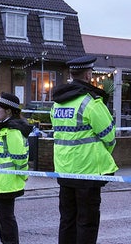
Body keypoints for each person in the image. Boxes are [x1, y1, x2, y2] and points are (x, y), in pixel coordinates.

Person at [49, 55, 118, 244]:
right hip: (88, 174)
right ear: (88, 75)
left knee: (67, 221)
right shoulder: (91, 102)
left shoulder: (58, 103)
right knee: (86, 223)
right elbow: (110, 137)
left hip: (64, 171)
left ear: (72, 75)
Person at [0, 92, 31, 244]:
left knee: (6, 219)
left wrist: (23, 176)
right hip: (1, 182)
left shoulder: (12, 131)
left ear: (8, 110)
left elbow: (20, 158)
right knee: (2, 217)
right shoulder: (6, 128)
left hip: (6, 183)